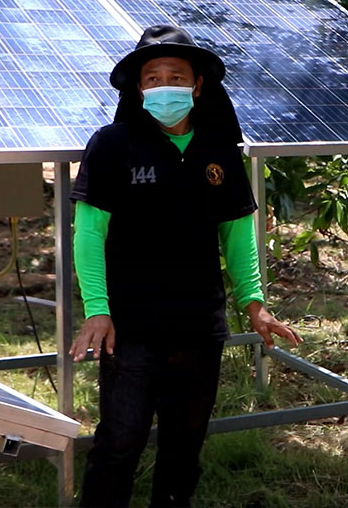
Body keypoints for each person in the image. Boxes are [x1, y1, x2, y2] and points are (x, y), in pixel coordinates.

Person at [69, 25, 301, 508]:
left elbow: (237, 234)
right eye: (152, 78)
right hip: (130, 326)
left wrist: (254, 303)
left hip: (199, 325)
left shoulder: (219, 151)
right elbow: (88, 233)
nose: (164, 86)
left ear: (197, 86)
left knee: (184, 446)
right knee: (119, 443)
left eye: (176, 77)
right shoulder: (112, 144)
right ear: (139, 89)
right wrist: (97, 309)